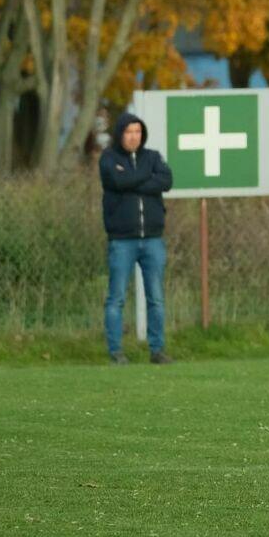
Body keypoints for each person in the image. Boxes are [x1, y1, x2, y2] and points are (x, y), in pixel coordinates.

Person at [98, 112, 174, 365]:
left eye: (138, 131)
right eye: (129, 132)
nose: (134, 137)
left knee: (156, 298)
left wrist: (132, 179)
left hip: (152, 239)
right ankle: (116, 352)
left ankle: (157, 350)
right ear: (120, 134)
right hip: (122, 241)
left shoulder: (153, 157)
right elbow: (118, 181)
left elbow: (166, 180)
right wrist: (146, 176)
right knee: (116, 298)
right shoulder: (109, 159)